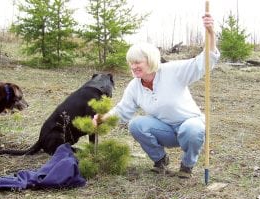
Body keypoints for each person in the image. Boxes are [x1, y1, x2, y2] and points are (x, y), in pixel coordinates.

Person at [93, 13, 220, 178]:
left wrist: (210, 32)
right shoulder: (134, 86)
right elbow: (123, 110)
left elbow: (203, 62)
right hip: (165, 130)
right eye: (131, 62)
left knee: (193, 129)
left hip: (189, 125)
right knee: (136, 124)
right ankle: (160, 160)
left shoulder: (172, 71)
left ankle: (187, 166)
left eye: (138, 62)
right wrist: (102, 118)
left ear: (151, 60)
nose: (134, 66)